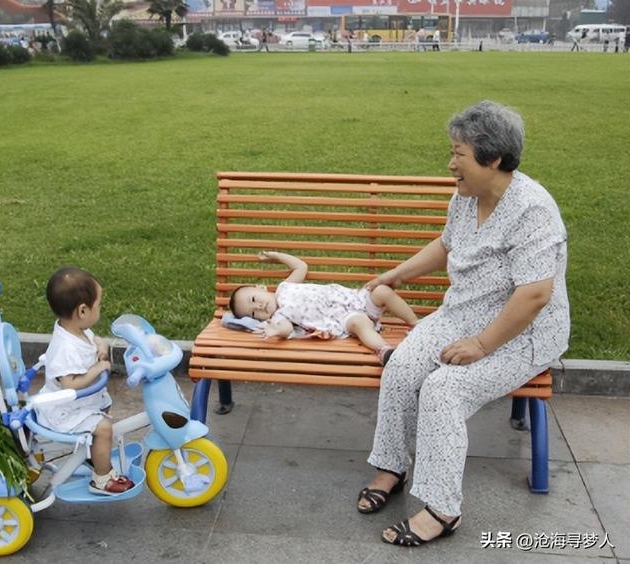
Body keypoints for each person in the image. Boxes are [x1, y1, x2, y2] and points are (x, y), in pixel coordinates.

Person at [357, 101, 569, 548]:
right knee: (402, 366)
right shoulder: (467, 195)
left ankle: (442, 508)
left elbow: (534, 295)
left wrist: (481, 344)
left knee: (443, 389)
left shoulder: (533, 211)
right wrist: (397, 274)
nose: (450, 163)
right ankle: (392, 466)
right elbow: (447, 245)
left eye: (459, 154)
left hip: (522, 333)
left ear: (493, 160)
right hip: (462, 314)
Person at [36, 267, 134, 495]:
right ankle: (102, 479)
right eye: (98, 304)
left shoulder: (76, 329)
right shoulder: (65, 348)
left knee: (104, 405)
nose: (100, 308)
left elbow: (91, 339)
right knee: (104, 428)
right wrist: (97, 369)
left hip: (81, 401)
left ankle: (92, 455)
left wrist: (100, 345)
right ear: (82, 310)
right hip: (64, 409)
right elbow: (69, 383)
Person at [228, 251, 419, 365]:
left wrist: (277, 256)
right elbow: (286, 330)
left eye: (254, 299)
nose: (259, 306)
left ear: (260, 288)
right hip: (343, 319)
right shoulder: (280, 315)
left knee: (382, 291)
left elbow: (301, 267)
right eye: (254, 313)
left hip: (355, 299)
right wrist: (275, 330)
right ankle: (383, 350)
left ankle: (414, 323)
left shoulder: (284, 287)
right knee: (360, 324)